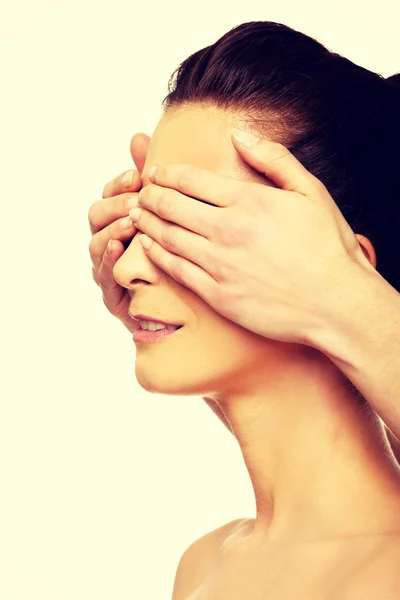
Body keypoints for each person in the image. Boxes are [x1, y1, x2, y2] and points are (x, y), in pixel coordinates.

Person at [88, 21, 400, 599]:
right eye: (142, 225)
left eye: (192, 229)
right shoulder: (205, 564)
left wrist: (346, 297)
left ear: (341, 265)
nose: (128, 270)